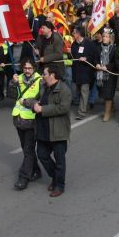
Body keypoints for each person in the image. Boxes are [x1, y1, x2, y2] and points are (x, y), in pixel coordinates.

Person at [32, 66, 72, 197]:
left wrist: (42, 109)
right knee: (42, 154)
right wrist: (33, 105)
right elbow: (35, 99)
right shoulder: (44, 87)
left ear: (52, 75)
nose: (42, 76)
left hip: (58, 131)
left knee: (60, 160)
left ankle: (60, 186)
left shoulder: (64, 90)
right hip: (43, 129)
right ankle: (55, 177)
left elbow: (63, 108)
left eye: (44, 74)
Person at [11, 60, 43, 190]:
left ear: (34, 68)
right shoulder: (17, 78)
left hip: (31, 120)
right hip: (18, 119)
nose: (27, 70)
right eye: (25, 68)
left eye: (30, 68)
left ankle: (23, 177)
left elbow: (42, 100)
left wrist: (27, 102)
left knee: (28, 149)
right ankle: (36, 171)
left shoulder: (40, 81)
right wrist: (13, 84)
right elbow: (11, 95)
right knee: (25, 148)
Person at [69, 26, 99, 120]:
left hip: (86, 72)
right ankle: (86, 105)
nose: (73, 34)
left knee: (84, 91)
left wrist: (86, 58)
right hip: (77, 72)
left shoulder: (89, 44)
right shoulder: (74, 44)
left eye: (74, 32)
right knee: (78, 91)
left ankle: (82, 112)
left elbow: (94, 56)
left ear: (79, 34)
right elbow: (73, 58)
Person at [95, 30, 119, 122]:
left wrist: (107, 67)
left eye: (106, 37)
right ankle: (112, 108)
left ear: (110, 38)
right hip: (100, 74)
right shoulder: (98, 47)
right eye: (104, 36)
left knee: (108, 93)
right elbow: (96, 58)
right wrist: (97, 64)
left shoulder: (114, 49)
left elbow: (116, 62)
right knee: (103, 92)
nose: (105, 38)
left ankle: (107, 113)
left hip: (110, 74)